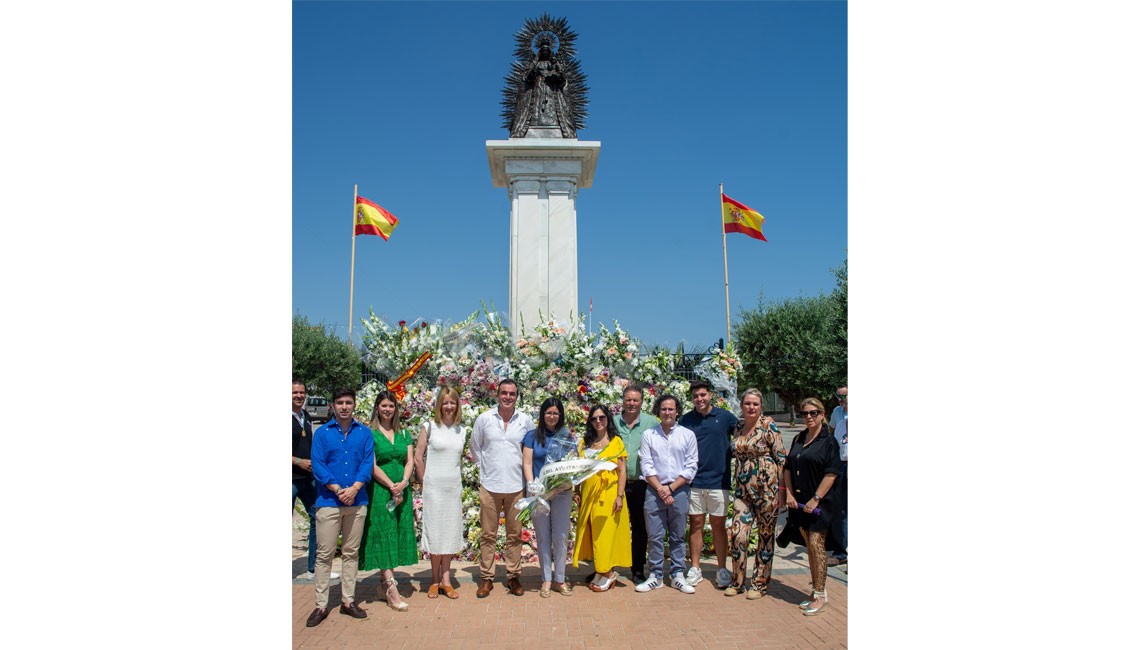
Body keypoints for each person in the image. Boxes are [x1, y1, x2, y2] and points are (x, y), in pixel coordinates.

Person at [306, 387, 374, 627]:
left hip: (357, 502)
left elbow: (367, 463)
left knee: (350, 553)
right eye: (340, 402)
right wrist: (337, 489)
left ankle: (348, 600)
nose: (344, 406)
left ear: (354, 405)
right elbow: (318, 464)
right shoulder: (322, 434)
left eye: (348, 402)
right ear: (333, 405)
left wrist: (354, 489)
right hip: (329, 502)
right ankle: (321, 605)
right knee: (324, 555)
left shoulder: (364, 433)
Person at [777, 397, 844, 616]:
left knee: (817, 545)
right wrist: (787, 493)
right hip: (799, 503)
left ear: (822, 414)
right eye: (805, 413)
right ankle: (814, 591)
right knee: (809, 545)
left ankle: (821, 594)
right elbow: (787, 467)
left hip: (820, 504)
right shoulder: (799, 437)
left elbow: (832, 472)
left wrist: (816, 498)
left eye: (813, 413)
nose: (809, 417)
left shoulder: (829, 441)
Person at [470, 379, 534, 597]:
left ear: (517, 396)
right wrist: (484, 469)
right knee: (488, 534)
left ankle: (513, 576)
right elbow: (475, 447)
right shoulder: (484, 419)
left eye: (512, 394)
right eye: (504, 393)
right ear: (497, 395)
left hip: (516, 486)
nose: (508, 397)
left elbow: (531, 449)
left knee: (514, 534)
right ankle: (486, 578)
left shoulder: (525, 420)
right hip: (490, 486)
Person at [358, 390, 417, 612]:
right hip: (381, 491)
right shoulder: (370, 434)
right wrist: (391, 486)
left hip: (402, 491)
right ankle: (391, 589)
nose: (387, 409)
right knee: (382, 535)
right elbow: (371, 465)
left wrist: (402, 483)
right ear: (377, 408)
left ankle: (384, 585)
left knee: (395, 534)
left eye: (391, 406)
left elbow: (410, 460)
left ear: (396, 409)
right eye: (383, 405)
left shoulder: (404, 434)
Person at [724, 388, 786, 599]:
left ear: (761, 407)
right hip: (742, 490)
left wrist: (782, 492)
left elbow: (781, 459)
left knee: (765, 537)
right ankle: (738, 581)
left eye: (755, 404)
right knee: (738, 534)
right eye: (747, 403)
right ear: (741, 405)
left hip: (767, 489)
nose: (751, 407)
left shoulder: (768, 425)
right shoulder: (739, 425)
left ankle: (759, 583)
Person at [635, 394, 699, 595]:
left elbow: (691, 466)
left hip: (679, 490)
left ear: (677, 411)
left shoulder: (687, 435)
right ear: (658, 411)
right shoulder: (649, 435)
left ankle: (678, 574)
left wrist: (670, 489)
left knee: (678, 535)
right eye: (664, 409)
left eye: (671, 409)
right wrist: (661, 489)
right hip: (654, 490)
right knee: (655, 535)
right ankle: (656, 575)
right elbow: (646, 464)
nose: (667, 412)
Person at [678, 380, 739, 589]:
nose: (699, 399)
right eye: (695, 396)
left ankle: (722, 569)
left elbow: (743, 433)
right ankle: (695, 568)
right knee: (695, 524)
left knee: (718, 527)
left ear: (710, 395)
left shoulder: (725, 418)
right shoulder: (686, 420)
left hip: (719, 482)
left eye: (703, 394)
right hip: (694, 481)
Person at [414, 385, 467, 599]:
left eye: (452, 402)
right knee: (435, 533)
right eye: (445, 402)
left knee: (449, 533)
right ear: (439, 404)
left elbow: (458, 461)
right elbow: (418, 457)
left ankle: (447, 580)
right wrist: (425, 481)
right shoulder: (429, 426)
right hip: (434, 488)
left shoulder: (461, 430)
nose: (449, 406)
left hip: (453, 488)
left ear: (457, 405)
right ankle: (434, 580)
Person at [571, 404, 632, 592]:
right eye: (594, 418)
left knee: (605, 534)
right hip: (589, 495)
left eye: (602, 418)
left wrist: (620, 496)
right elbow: (578, 470)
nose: (598, 421)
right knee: (591, 532)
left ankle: (608, 573)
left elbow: (622, 472)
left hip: (609, 494)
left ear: (608, 420)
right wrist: (577, 491)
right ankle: (600, 569)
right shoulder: (584, 443)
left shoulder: (616, 443)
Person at [522, 397, 576, 597]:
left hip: (561, 492)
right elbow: (527, 463)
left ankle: (560, 579)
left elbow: (573, 463)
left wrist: (567, 482)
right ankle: (546, 578)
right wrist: (532, 485)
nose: (551, 417)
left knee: (560, 536)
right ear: (542, 415)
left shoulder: (566, 437)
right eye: (548, 413)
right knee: (543, 537)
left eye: (555, 413)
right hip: (539, 493)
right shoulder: (532, 436)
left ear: (560, 415)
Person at [292, 379, 338, 580]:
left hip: (308, 478)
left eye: (301, 392)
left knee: (317, 519)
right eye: (295, 393)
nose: (299, 396)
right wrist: (298, 461)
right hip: (291, 476)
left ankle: (313, 568)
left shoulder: (306, 416)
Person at [829, 393, 849, 566]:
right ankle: (841, 551)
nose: (844, 406)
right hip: (843, 467)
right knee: (841, 510)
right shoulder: (841, 424)